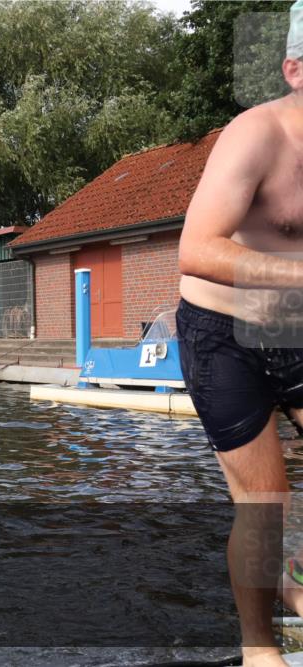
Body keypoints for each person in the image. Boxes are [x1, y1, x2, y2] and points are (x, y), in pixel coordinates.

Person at [176, 7, 303, 666]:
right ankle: (260, 647)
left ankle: (290, 573)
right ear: (294, 70)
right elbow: (196, 249)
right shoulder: (255, 137)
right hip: (221, 332)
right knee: (265, 506)